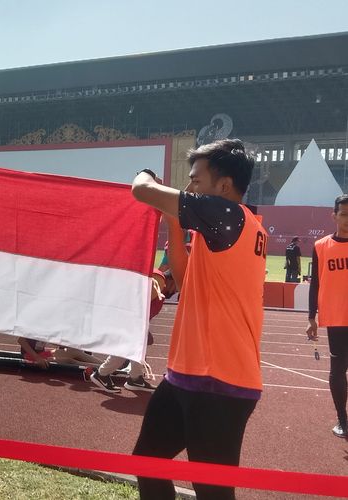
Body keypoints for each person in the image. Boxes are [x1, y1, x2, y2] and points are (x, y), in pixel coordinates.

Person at [130, 139, 265, 499]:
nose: (189, 187)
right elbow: (185, 278)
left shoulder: (228, 216)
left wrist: (145, 174)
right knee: (147, 462)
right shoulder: (222, 227)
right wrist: (174, 223)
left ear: (223, 186)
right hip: (185, 376)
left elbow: (141, 190)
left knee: (212, 492)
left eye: (195, 180)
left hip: (221, 381)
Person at [90, 269, 174, 393]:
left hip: (132, 319)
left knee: (137, 348)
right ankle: (102, 373)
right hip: (129, 318)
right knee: (126, 349)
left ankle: (135, 378)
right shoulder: (159, 281)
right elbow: (137, 304)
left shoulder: (159, 282)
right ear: (172, 280)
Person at [306, 194, 348, 439]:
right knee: (338, 369)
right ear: (334, 215)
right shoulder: (322, 246)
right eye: (343, 214)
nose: (347, 219)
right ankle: (342, 420)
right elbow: (315, 284)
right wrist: (311, 317)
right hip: (336, 318)